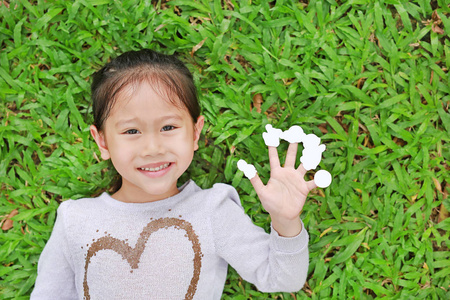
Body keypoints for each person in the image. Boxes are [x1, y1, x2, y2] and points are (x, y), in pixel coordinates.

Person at [31, 49, 318, 299]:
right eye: (131, 131)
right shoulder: (75, 219)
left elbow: (283, 279)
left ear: (195, 132)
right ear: (103, 141)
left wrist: (285, 220)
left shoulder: (212, 211)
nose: (153, 147)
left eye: (168, 127)